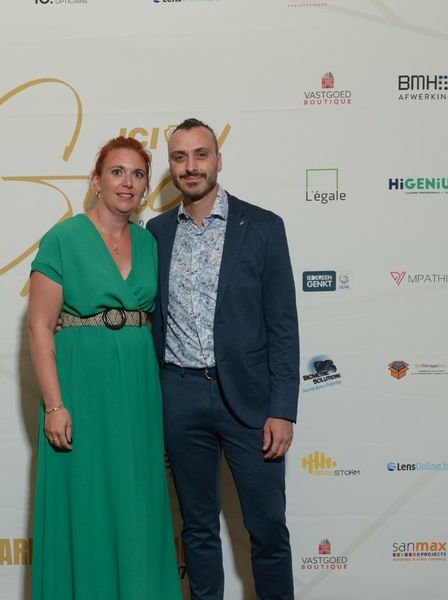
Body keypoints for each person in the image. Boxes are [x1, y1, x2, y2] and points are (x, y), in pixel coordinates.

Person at [146, 118, 300, 600]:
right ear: (171, 166)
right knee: (197, 529)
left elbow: (283, 324)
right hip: (180, 395)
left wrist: (282, 408)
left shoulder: (263, 227)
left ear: (218, 160)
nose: (190, 167)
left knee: (267, 526)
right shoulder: (156, 232)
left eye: (200, 155)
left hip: (250, 402)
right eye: (179, 157)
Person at [28, 136, 182, 600]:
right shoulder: (63, 238)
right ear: (95, 180)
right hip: (81, 387)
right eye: (117, 172)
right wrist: (55, 405)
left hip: (137, 389)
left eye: (138, 174)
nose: (127, 182)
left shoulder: (149, 241)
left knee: (136, 502)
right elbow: (40, 326)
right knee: (86, 501)